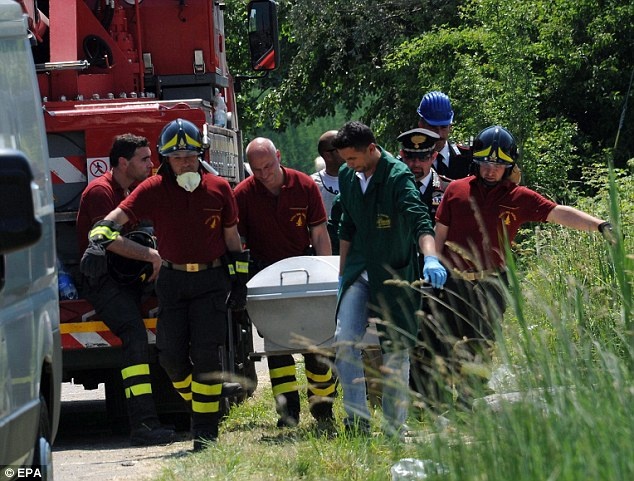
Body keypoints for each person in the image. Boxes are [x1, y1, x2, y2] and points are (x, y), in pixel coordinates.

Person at [79, 119, 246, 451]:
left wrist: (239, 279)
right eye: (177, 157)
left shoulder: (219, 189)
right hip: (172, 282)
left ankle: (205, 434)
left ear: (200, 154)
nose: (185, 162)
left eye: (190, 155)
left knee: (206, 357)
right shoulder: (153, 189)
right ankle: (200, 404)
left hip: (210, 282)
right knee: (170, 357)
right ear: (165, 159)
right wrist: (99, 239)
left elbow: (232, 239)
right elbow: (116, 217)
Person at [425, 125, 614, 408]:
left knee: (483, 341)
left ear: (509, 166)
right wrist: (432, 266)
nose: (491, 170)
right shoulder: (456, 189)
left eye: (499, 165)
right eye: (486, 163)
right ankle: (438, 404)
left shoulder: (519, 197)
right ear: (476, 161)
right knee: (447, 340)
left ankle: (471, 401)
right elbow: (439, 234)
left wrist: (598, 225)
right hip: (453, 280)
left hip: (493, 282)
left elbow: (558, 213)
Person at [332, 121, 447, 437]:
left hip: (394, 273)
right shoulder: (347, 176)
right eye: (344, 160)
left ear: (371, 149)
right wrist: (342, 275)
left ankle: (396, 425)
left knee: (395, 349)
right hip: (358, 272)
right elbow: (347, 226)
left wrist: (431, 256)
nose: (348, 165)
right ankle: (357, 421)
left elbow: (420, 221)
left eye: (353, 158)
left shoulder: (397, 178)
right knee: (344, 341)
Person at [76, 133, 176, 447]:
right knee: (133, 333)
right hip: (103, 282)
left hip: (128, 279)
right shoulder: (100, 192)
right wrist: (150, 256)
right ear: (123, 162)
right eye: (144, 159)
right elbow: (106, 239)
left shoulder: (130, 189)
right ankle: (143, 424)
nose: (152, 164)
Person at [234, 137, 337, 428]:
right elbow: (237, 241)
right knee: (278, 350)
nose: (264, 174)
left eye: (268, 166)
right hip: (266, 277)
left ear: (278, 156)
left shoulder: (304, 186)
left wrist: (327, 275)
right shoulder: (243, 194)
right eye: (257, 170)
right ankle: (288, 413)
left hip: (306, 273)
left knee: (317, 347)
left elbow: (319, 235)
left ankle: (323, 411)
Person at [417, 91, 473, 180]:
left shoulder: (467, 158)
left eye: (443, 127)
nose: (439, 134)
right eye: (433, 127)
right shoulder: (410, 162)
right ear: (421, 125)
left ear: (450, 126)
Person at [312, 130, 345, 254]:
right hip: (327, 248)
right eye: (340, 148)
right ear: (327, 155)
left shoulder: (358, 178)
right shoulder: (313, 185)